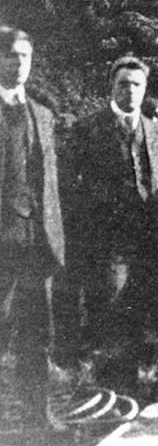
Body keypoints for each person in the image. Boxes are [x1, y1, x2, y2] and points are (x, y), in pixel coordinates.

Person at [70, 55, 158, 351]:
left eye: (137, 85)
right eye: (123, 84)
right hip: (108, 237)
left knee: (145, 306)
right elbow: (69, 181)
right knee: (109, 302)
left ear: (145, 88)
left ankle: (137, 379)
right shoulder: (88, 127)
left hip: (149, 234)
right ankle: (105, 378)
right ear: (112, 86)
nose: (130, 91)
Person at [0, 26, 66, 428]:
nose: (17, 63)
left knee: (36, 336)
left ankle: (37, 419)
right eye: (9, 56)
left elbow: (49, 185)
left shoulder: (42, 115)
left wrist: (53, 238)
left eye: (23, 56)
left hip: (35, 246)